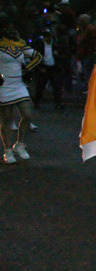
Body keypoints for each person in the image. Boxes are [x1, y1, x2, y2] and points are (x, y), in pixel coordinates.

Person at [0, 17, 42, 163]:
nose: (12, 30)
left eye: (13, 28)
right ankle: (7, 151)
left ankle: (20, 144)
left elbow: (37, 56)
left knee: (27, 114)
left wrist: (26, 69)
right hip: (4, 85)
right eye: (9, 28)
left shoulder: (20, 44)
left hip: (19, 84)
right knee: (6, 119)